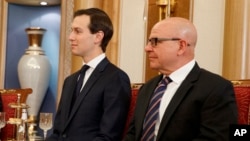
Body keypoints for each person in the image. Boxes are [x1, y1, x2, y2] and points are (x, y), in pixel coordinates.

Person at [123, 17, 238, 141]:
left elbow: (215, 138)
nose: (147, 48)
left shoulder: (215, 88)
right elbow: (133, 134)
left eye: (155, 41)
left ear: (181, 46)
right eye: (149, 41)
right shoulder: (148, 88)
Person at [47, 8, 131, 141]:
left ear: (98, 37)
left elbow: (108, 137)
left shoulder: (115, 78)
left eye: (78, 31)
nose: (71, 37)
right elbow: (58, 133)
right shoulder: (70, 80)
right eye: (71, 30)